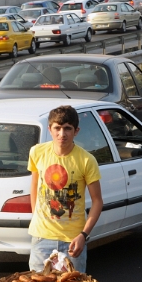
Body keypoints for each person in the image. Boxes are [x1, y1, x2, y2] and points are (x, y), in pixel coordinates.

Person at [28, 105, 102, 273]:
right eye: (57, 128)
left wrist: (83, 235)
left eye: (67, 129)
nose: (62, 134)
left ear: (76, 131)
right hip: (41, 238)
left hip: (73, 239)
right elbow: (34, 185)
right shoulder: (37, 152)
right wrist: (36, 218)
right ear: (50, 129)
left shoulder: (86, 160)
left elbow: (97, 201)